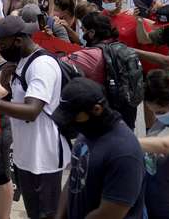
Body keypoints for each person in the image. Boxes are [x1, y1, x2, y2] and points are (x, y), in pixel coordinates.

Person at [0, 16, 68, 219]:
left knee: (47, 214)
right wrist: (8, 81)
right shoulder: (21, 61)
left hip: (43, 155)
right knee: (34, 213)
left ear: (18, 41)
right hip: (27, 154)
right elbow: (21, 101)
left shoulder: (42, 65)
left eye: (2, 43)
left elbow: (33, 110)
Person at [52, 78, 145, 219]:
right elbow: (75, 178)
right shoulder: (87, 133)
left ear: (96, 109)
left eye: (73, 117)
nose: (69, 123)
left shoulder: (124, 153)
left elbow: (110, 214)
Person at [138, 70, 169, 218]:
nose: (158, 116)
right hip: (154, 203)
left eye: (161, 111)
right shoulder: (160, 123)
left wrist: (122, 141)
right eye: (154, 112)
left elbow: (165, 145)